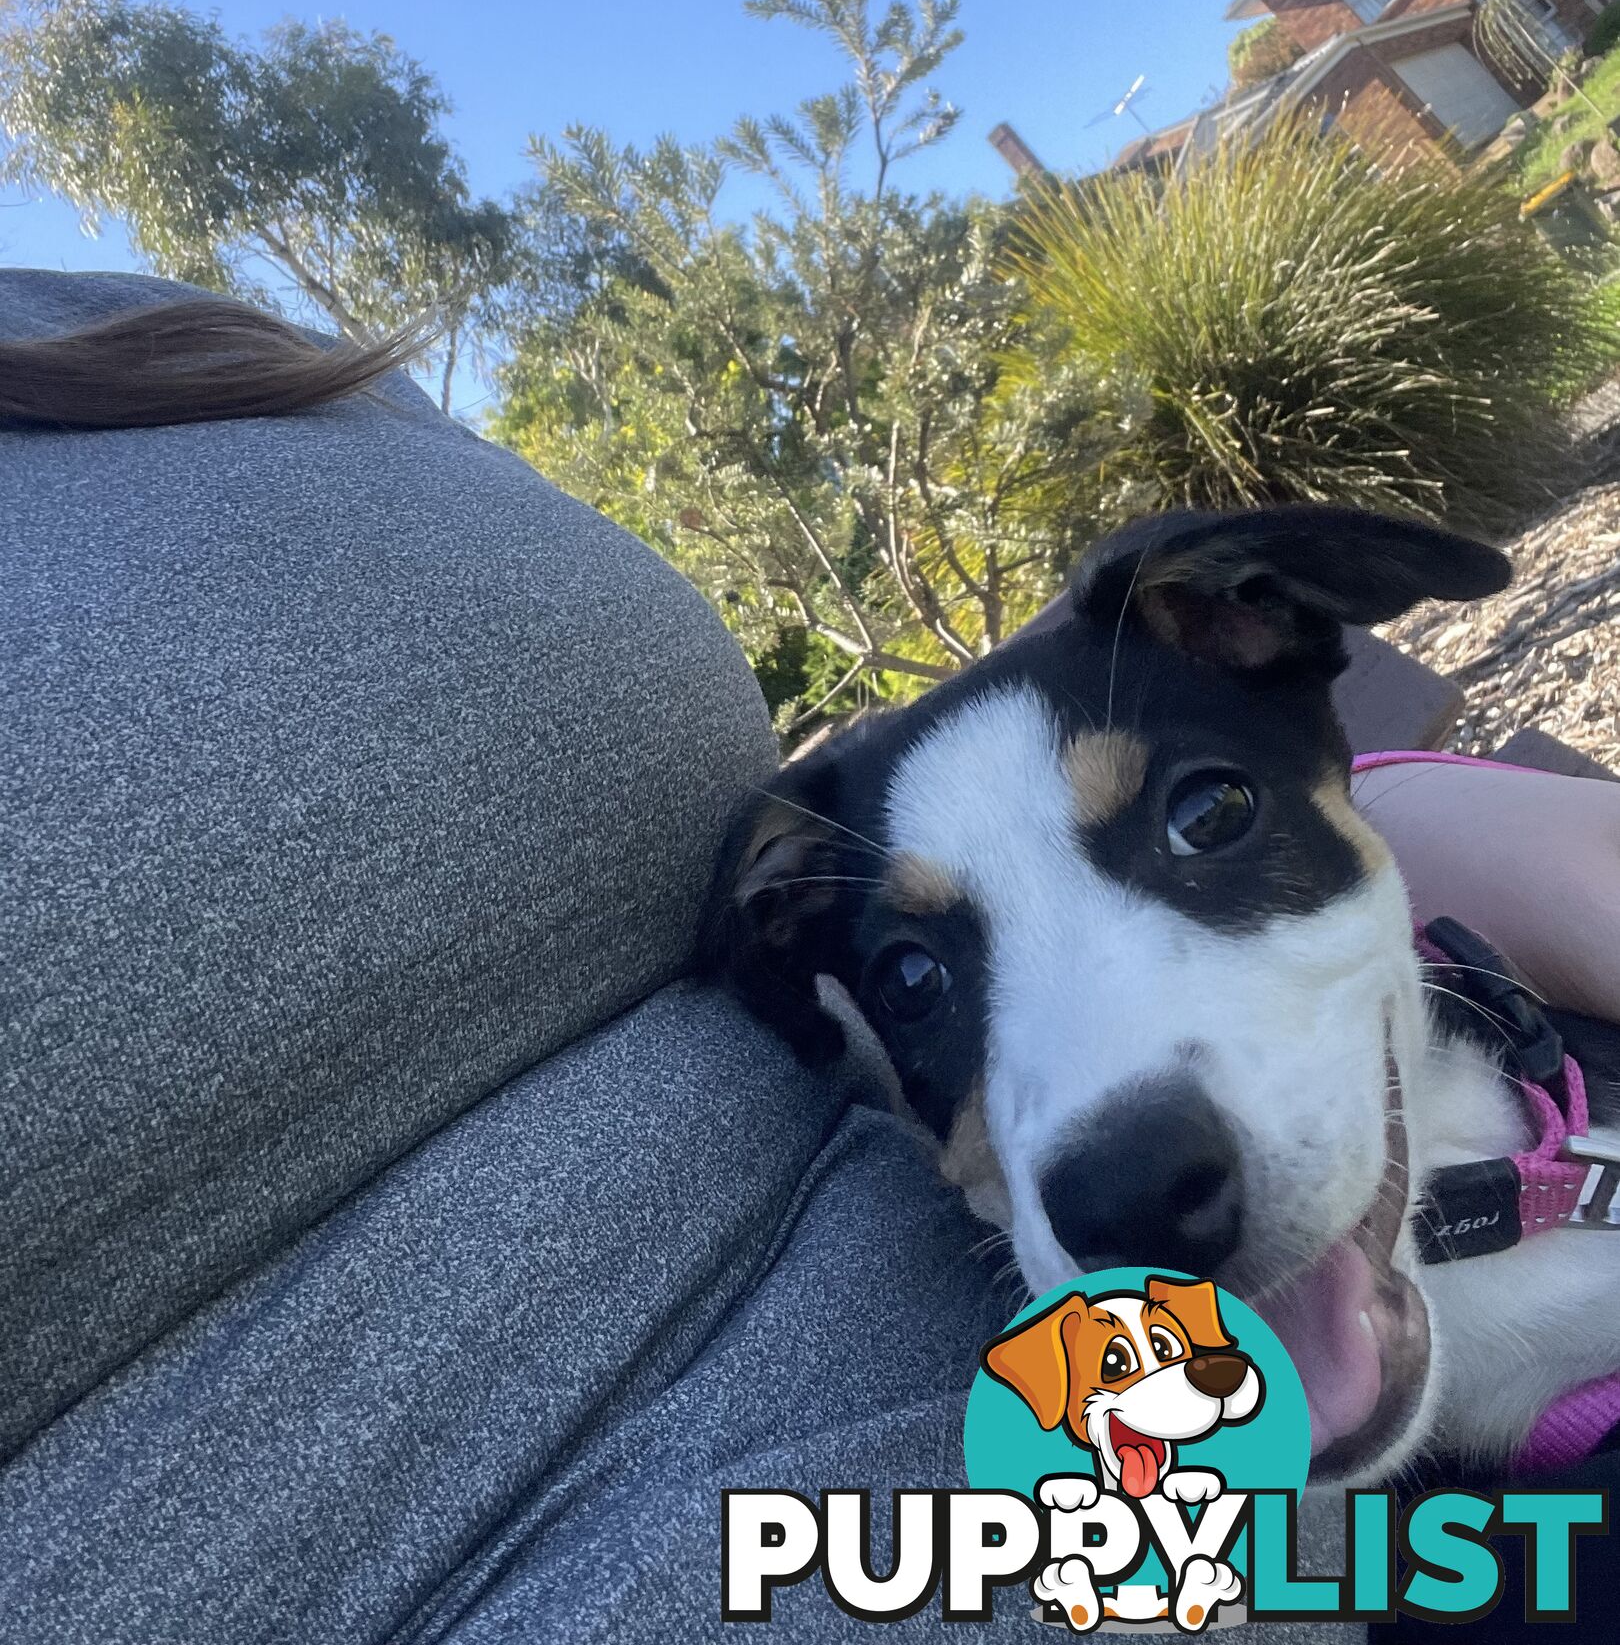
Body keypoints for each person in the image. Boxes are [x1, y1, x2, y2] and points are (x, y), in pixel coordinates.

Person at [2, 266, 1616, 1644]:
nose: (1108, 1142)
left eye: (1199, 821)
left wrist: (1444, 820)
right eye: (914, 979)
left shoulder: (114, 329)